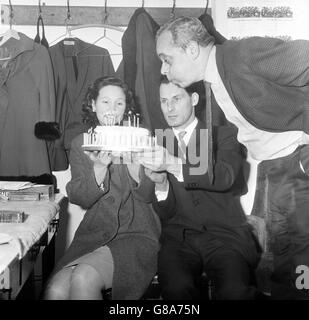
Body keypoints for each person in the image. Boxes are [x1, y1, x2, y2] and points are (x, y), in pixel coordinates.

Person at [155, 16, 309, 299]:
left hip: (296, 161)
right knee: (286, 261)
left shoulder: (239, 56)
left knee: (302, 262)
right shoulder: (214, 81)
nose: (165, 70)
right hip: (274, 165)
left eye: (167, 59)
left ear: (191, 49)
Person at [139, 76, 260, 300]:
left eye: (176, 99)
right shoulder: (156, 142)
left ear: (194, 99)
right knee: (176, 291)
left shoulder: (222, 135)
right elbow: (164, 212)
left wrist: (173, 164)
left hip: (225, 237)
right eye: (164, 101)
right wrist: (161, 184)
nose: (169, 108)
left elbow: (225, 176)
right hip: (179, 239)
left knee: (236, 292)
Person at [43, 76, 161, 300]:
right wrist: (98, 168)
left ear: (126, 107)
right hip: (95, 234)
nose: (112, 109)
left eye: (119, 103)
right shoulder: (82, 143)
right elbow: (79, 198)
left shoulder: (140, 139)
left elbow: (148, 196)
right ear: (93, 105)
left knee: (84, 278)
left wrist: (135, 166)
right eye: (105, 102)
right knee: (55, 291)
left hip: (137, 233)